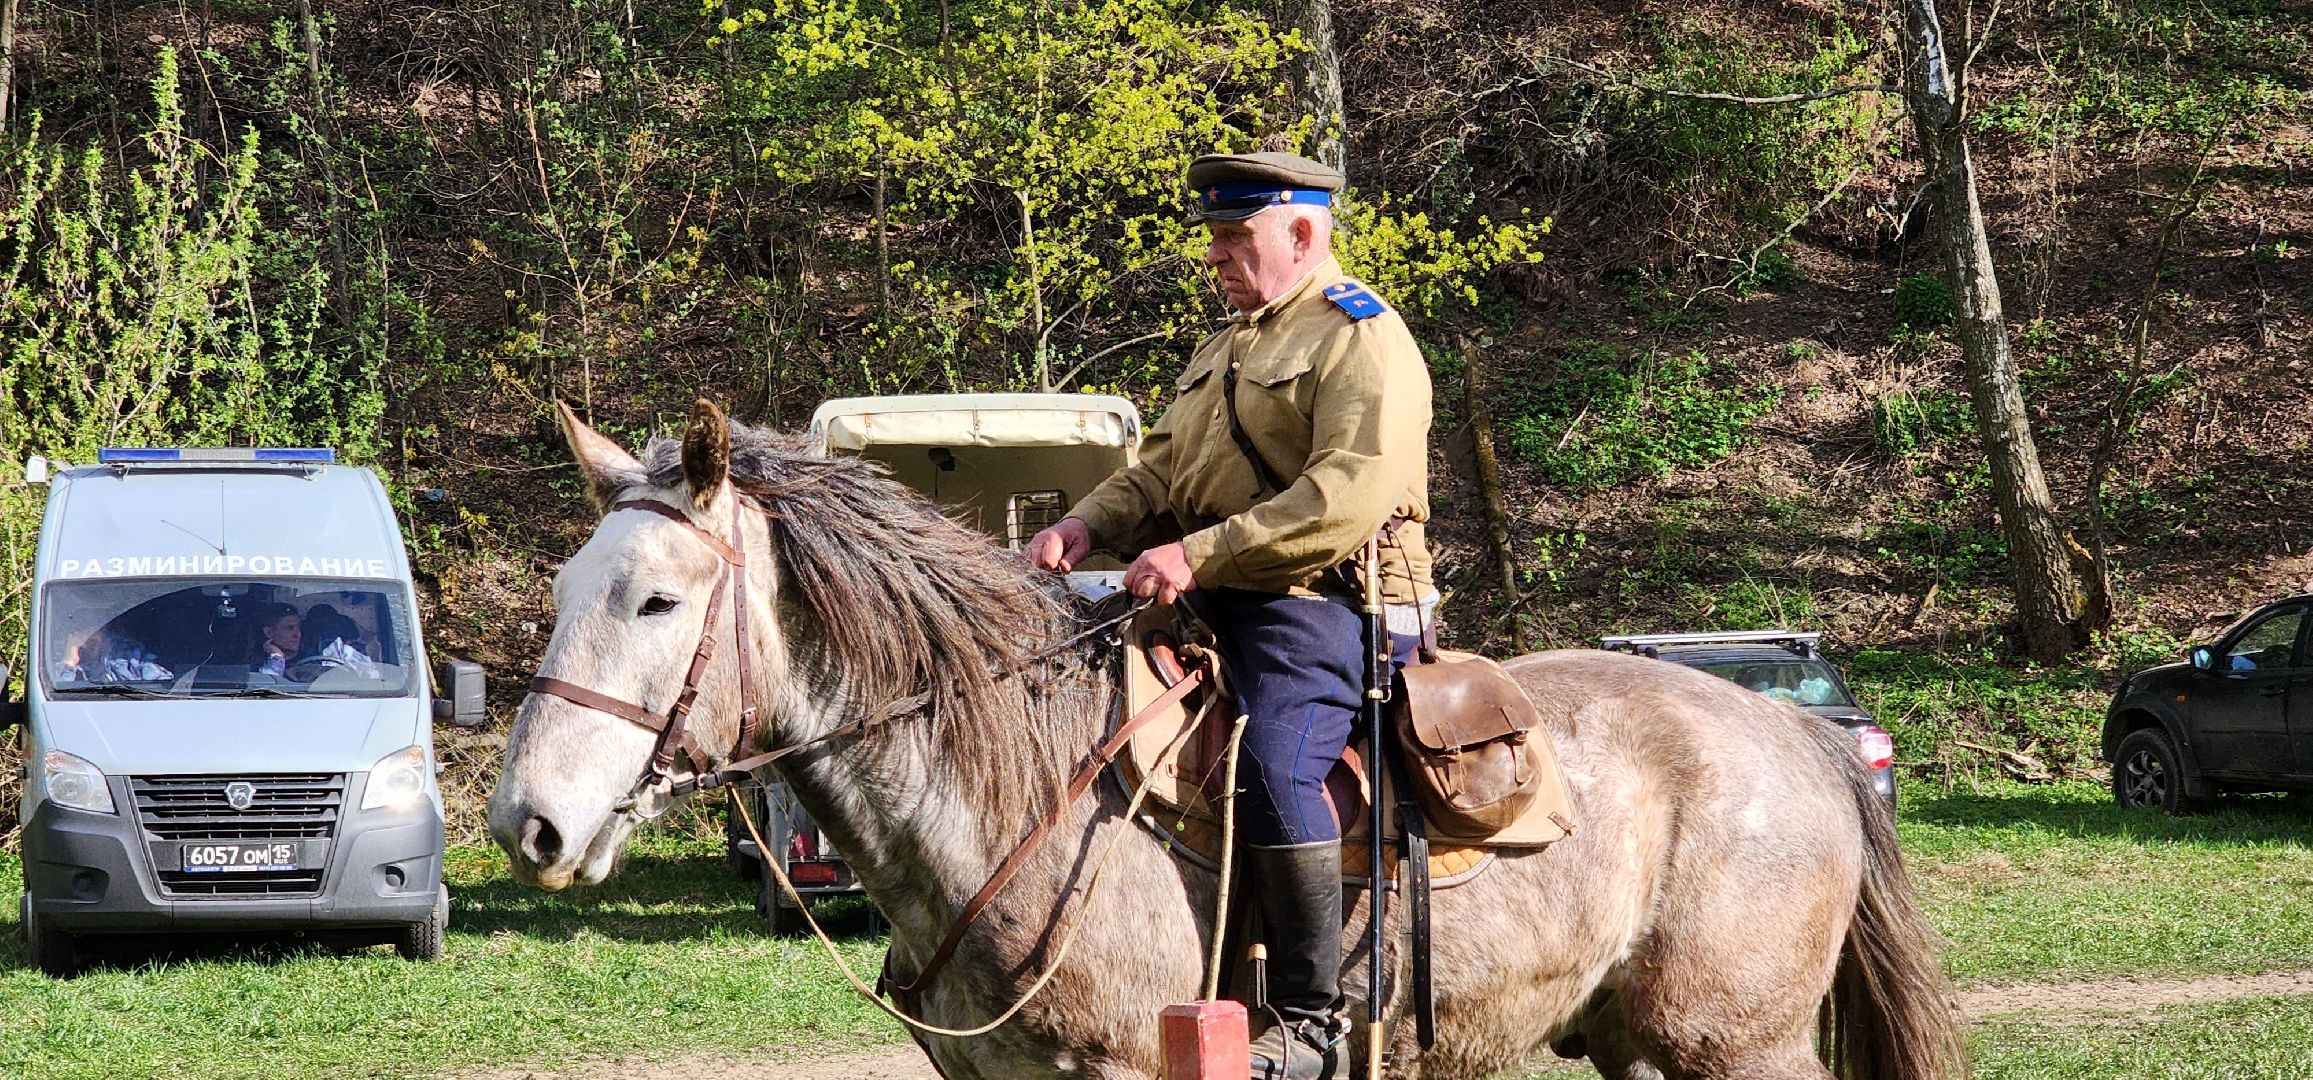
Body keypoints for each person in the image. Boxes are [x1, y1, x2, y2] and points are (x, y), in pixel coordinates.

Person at [1026, 150, 1436, 1080]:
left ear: (1300, 233)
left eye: (1233, 235)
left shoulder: (1360, 337)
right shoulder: (1225, 346)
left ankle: (1309, 1017)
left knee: (1277, 763)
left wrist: (1195, 553)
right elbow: (1160, 475)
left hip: (1321, 598)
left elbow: (1346, 494)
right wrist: (1086, 524)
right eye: (1210, 235)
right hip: (1215, 597)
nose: (1213, 254)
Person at [251, 605, 302, 677]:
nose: (298, 635)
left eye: (299, 628)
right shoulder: (255, 664)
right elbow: (270, 686)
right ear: (269, 633)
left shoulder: (311, 657)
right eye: (289, 628)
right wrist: (277, 657)